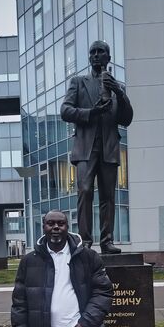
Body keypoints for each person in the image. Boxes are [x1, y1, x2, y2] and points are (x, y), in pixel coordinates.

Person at [60, 40, 133, 254]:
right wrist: (91, 113)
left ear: (108, 57)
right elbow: (65, 111)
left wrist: (119, 92)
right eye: (93, 52)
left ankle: (107, 241)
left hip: (108, 149)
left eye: (101, 52)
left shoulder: (118, 87)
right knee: (84, 191)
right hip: (86, 148)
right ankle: (85, 242)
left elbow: (127, 119)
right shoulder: (78, 82)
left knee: (108, 196)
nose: (96, 55)